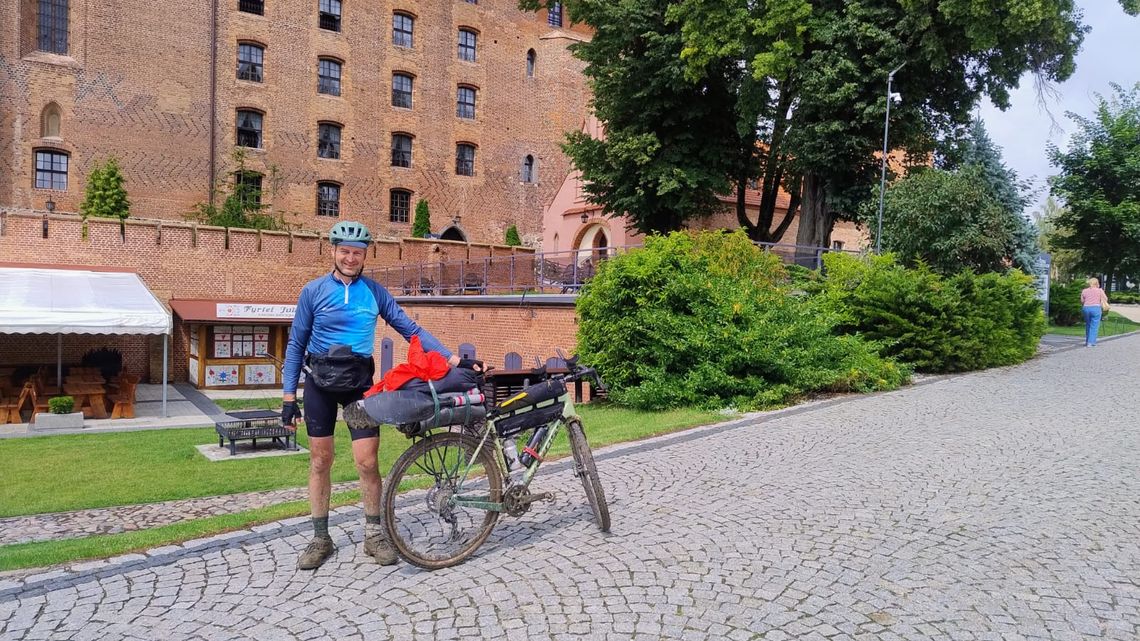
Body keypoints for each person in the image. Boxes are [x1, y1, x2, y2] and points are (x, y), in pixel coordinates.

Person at [281, 220, 458, 570]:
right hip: (319, 384)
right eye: (344, 251)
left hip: (359, 384)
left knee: (367, 461)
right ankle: (320, 538)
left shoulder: (375, 293)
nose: (350, 258)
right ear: (333, 252)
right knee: (320, 460)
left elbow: (411, 330)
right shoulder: (313, 292)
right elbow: (296, 345)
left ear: (365, 256)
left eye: (357, 253)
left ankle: (374, 535)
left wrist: (452, 358)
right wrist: (289, 398)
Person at [1080, 277, 1109, 347]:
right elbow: (1106, 299)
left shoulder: (1084, 291)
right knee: (1094, 326)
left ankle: (1087, 341)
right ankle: (1091, 342)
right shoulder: (1100, 290)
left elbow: (1082, 301)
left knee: (1088, 325)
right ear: (1097, 283)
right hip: (1096, 308)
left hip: (1086, 308)